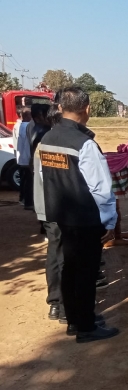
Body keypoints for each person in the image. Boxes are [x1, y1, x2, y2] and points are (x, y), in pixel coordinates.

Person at [38, 87, 119, 342]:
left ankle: (74, 320)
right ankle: (86, 327)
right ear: (87, 109)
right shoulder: (85, 144)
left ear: (61, 107)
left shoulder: (47, 138)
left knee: (69, 269)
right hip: (85, 219)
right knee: (85, 273)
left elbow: (42, 177)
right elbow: (100, 189)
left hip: (60, 215)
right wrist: (110, 221)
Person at [31, 101, 63, 320]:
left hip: (46, 207)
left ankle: (55, 303)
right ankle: (67, 307)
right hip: (63, 208)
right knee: (66, 256)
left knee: (54, 253)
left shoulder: (42, 143)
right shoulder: (61, 143)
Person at [13, 106, 33, 208]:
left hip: (22, 158)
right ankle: (27, 202)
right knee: (28, 182)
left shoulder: (21, 126)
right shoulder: (27, 127)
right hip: (27, 159)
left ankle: (23, 199)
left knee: (24, 180)